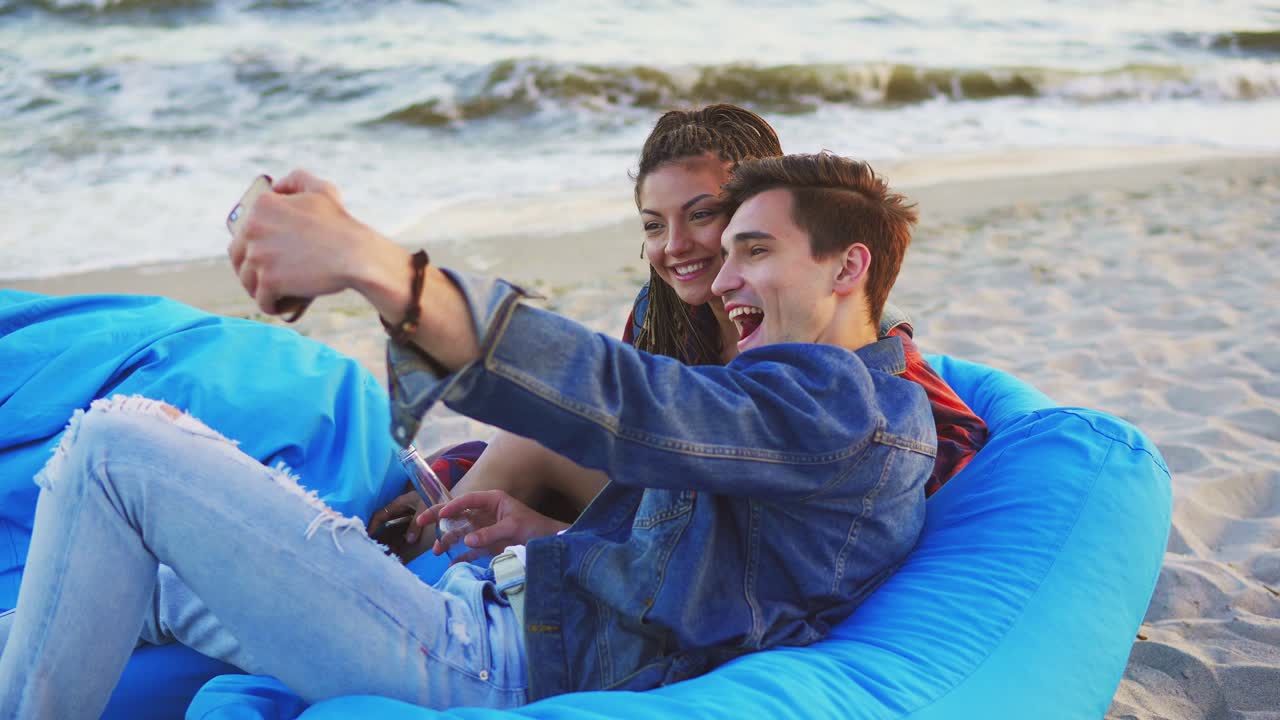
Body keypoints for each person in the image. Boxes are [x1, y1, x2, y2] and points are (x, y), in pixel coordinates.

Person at [0, 152, 934, 718]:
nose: (723, 280)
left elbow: (632, 403)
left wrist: (382, 270)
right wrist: (556, 541)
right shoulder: (825, 410)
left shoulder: (845, 409)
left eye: (755, 251)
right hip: (487, 605)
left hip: (479, 662)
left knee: (119, 446)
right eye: (725, 251)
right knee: (155, 556)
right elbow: (735, 583)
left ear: (849, 265)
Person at [370, 105, 987, 563]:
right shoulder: (661, 313)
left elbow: (942, 443)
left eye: (701, 214)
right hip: (675, 504)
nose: (676, 247)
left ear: (756, 207)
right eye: (654, 225)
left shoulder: (832, 332)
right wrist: (451, 474)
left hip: (757, 527)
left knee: (531, 445)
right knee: (521, 447)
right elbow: (613, 424)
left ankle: (413, 582)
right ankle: (419, 550)